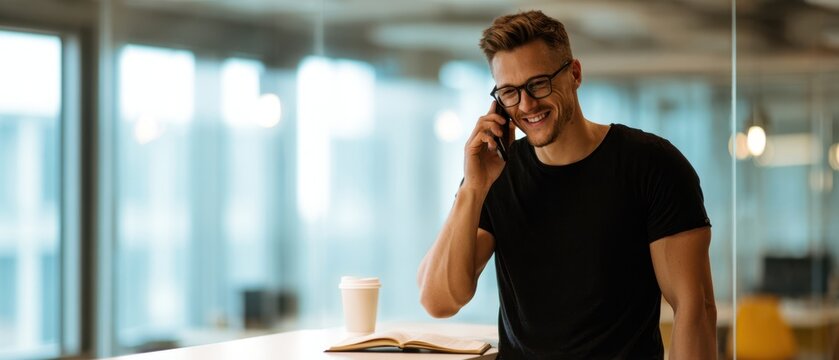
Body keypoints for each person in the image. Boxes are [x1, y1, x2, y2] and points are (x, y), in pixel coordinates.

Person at [417, 10, 717, 359]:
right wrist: (473, 186)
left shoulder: (651, 164)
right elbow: (439, 300)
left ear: (574, 74)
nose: (527, 104)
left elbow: (695, 309)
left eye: (538, 83)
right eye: (510, 92)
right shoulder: (498, 175)